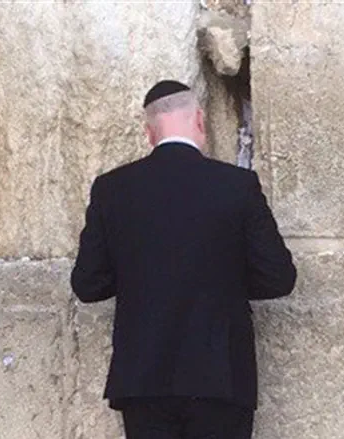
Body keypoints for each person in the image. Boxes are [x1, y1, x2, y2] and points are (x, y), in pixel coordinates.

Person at [70, 80, 296, 438]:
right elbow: (279, 278)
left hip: (143, 379)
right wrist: (225, 281)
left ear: (149, 132)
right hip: (220, 377)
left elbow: (88, 284)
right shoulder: (237, 186)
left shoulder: (113, 189)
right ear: (201, 121)